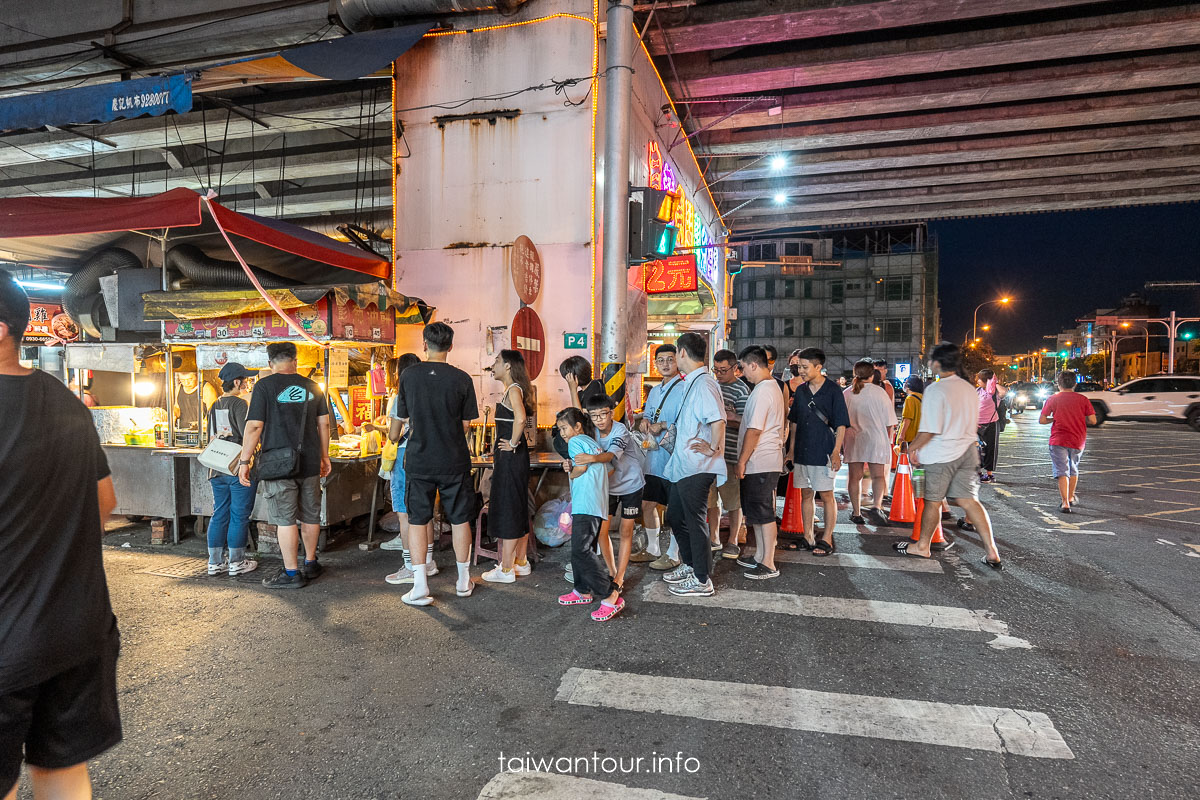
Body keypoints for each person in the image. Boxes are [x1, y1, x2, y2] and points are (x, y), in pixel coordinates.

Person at [1, 275, 121, 800]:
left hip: (6, 641)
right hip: (76, 630)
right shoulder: (68, 403)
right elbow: (105, 504)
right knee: (59, 767)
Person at [393, 322, 480, 606]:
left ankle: (420, 585)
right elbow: (466, 425)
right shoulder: (462, 379)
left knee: (419, 519)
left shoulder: (408, 376)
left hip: (419, 459)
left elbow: (403, 418)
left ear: (424, 344)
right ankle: (464, 580)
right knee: (460, 518)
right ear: (451, 346)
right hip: (454, 458)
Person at [899, 342, 1002, 568]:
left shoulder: (936, 389)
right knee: (970, 502)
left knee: (932, 502)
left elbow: (929, 430)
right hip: (967, 452)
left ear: (937, 363)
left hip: (940, 454)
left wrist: (912, 448)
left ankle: (922, 546)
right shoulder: (968, 388)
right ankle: (991, 550)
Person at [238, 342, 331, 589]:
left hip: (277, 464)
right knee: (311, 515)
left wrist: (244, 461)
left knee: (285, 519)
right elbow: (324, 424)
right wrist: (325, 456)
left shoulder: (264, 386)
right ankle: (311, 564)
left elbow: (255, 426)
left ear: (270, 363)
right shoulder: (313, 386)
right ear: (295, 360)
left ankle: (291, 574)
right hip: (310, 461)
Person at [661, 332, 727, 598]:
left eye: (675, 353)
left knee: (694, 520)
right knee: (677, 516)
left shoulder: (704, 384)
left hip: (698, 466)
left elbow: (718, 420)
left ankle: (702, 579)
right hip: (685, 465)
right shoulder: (694, 381)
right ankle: (690, 565)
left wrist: (712, 447)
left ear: (682, 353)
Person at [555, 408, 624, 621]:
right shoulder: (592, 442)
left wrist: (568, 469)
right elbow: (608, 467)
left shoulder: (575, 442)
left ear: (577, 426)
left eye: (564, 428)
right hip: (597, 502)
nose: (563, 433)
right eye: (560, 429)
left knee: (581, 550)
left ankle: (609, 594)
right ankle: (582, 590)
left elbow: (580, 470)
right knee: (585, 548)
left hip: (586, 503)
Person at [383, 353, 440, 585]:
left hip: (406, 454)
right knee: (424, 511)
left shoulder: (402, 395)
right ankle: (428, 562)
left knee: (405, 513)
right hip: (429, 453)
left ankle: (409, 565)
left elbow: (394, 434)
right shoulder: (431, 392)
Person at [578, 394, 645, 589]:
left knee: (626, 530)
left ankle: (620, 577)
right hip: (607, 487)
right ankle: (612, 571)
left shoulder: (620, 430)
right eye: (594, 416)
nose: (599, 420)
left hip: (631, 485)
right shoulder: (590, 432)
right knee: (602, 531)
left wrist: (589, 459)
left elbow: (608, 457)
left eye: (603, 414)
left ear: (611, 413)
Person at [481, 350, 537, 584]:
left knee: (508, 507)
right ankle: (520, 562)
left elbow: (521, 419)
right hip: (512, 457)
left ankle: (505, 569)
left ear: (508, 366)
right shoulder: (513, 389)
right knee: (518, 506)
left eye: (496, 361)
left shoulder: (514, 389)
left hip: (512, 458)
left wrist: (513, 443)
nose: (492, 365)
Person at [787, 348, 849, 556]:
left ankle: (827, 538)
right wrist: (791, 451)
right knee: (805, 493)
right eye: (799, 367)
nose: (801, 371)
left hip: (823, 449)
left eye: (805, 367)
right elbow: (794, 423)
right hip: (802, 450)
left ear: (818, 367)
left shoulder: (833, 390)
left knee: (826, 494)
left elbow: (841, 424)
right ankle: (808, 535)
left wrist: (835, 451)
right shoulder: (802, 391)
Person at [734, 346, 787, 579]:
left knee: (763, 511)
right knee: (756, 510)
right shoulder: (767, 387)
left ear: (754, 365)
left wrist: (742, 461)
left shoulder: (764, 390)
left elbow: (754, 430)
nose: (743, 373)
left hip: (761, 460)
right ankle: (759, 556)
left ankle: (768, 562)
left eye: (744, 367)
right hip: (763, 460)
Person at [206, 362, 259, 577]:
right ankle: (236, 562)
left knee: (219, 513)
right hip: (238, 468)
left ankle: (215, 562)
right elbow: (248, 435)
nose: (247, 383)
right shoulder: (240, 405)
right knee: (239, 515)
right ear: (237, 382)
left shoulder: (215, 405)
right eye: (245, 379)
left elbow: (211, 437)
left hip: (217, 469)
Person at [637, 344, 685, 570]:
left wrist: (663, 425)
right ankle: (652, 548)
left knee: (674, 508)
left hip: (673, 458)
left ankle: (674, 553)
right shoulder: (655, 390)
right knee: (648, 504)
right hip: (653, 458)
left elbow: (689, 420)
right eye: (661, 360)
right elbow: (647, 413)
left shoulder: (685, 387)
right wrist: (646, 421)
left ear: (678, 361)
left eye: (670, 359)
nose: (665, 364)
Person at [843, 359, 897, 526]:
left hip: (854, 438)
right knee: (878, 476)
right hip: (876, 439)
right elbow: (890, 421)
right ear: (872, 375)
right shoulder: (880, 392)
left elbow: (840, 419)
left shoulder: (847, 393)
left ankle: (856, 512)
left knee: (855, 477)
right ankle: (876, 506)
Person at [1039, 370, 1097, 514]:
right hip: (1077, 439)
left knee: (1061, 470)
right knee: (1073, 467)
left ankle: (1065, 503)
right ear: (1075, 384)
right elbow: (1093, 420)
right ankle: (1071, 497)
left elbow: (1042, 420)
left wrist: (1055, 418)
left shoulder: (1053, 399)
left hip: (1058, 438)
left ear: (1059, 384)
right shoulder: (1083, 399)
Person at [710, 349, 749, 559]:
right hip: (711, 454)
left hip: (731, 455)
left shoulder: (742, 391)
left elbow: (747, 423)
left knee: (733, 502)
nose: (719, 374)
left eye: (723, 370)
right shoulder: (712, 386)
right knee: (710, 500)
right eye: (715, 370)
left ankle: (733, 540)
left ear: (735, 368)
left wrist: (727, 416)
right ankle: (713, 538)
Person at [975, 369, 1007, 483]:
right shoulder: (977, 391)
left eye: (980, 379)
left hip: (991, 424)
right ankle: (978, 473)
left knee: (991, 449)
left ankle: (989, 475)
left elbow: (1004, 392)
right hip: (976, 425)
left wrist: (994, 383)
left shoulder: (995, 393)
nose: (978, 380)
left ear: (986, 380)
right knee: (976, 450)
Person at [896, 375, 924, 451]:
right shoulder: (922, 397)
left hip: (910, 437)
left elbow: (907, 419)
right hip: (920, 436)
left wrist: (901, 435)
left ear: (909, 385)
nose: (903, 384)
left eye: (905, 382)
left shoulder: (910, 399)